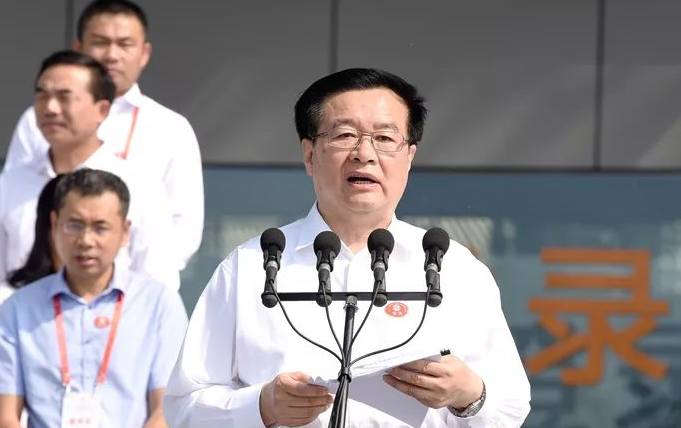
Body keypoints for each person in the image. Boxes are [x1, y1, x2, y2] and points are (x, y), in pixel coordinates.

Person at [163, 68, 531, 427]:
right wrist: (263, 406)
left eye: (384, 138)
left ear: (409, 157)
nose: (364, 153)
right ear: (310, 154)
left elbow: (510, 408)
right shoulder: (250, 266)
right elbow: (184, 408)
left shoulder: (455, 270)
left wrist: (469, 395)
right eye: (344, 135)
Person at [3, 0, 203, 269]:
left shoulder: (170, 128)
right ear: (79, 47)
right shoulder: (37, 119)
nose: (111, 55)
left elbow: (183, 229)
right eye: (100, 42)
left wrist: (129, 281)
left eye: (124, 44)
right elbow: (15, 201)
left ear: (144, 53)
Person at [0, 168, 188, 428]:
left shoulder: (158, 304)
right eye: (74, 225)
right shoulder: (19, 308)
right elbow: (6, 415)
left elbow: (166, 410)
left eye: (100, 228)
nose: (86, 240)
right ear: (54, 225)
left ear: (125, 232)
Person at [0, 50, 179, 303]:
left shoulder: (140, 185)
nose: (50, 108)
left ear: (102, 110)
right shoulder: (10, 184)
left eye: (65, 97)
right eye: (42, 95)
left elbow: (158, 281)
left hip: (115, 322)